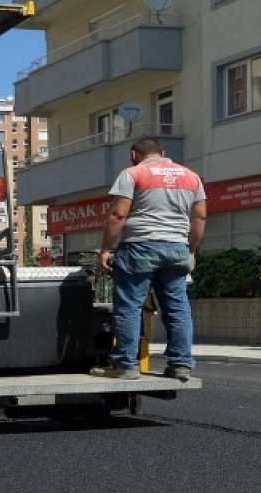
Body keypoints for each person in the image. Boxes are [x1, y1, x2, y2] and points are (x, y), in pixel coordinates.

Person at [91, 137, 207, 381]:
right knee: (178, 307)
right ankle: (181, 364)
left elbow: (117, 213)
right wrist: (192, 250)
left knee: (129, 307)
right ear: (163, 153)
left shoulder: (133, 173)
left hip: (140, 247)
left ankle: (126, 365)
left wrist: (105, 249)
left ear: (134, 154)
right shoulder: (191, 176)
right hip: (177, 248)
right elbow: (199, 218)